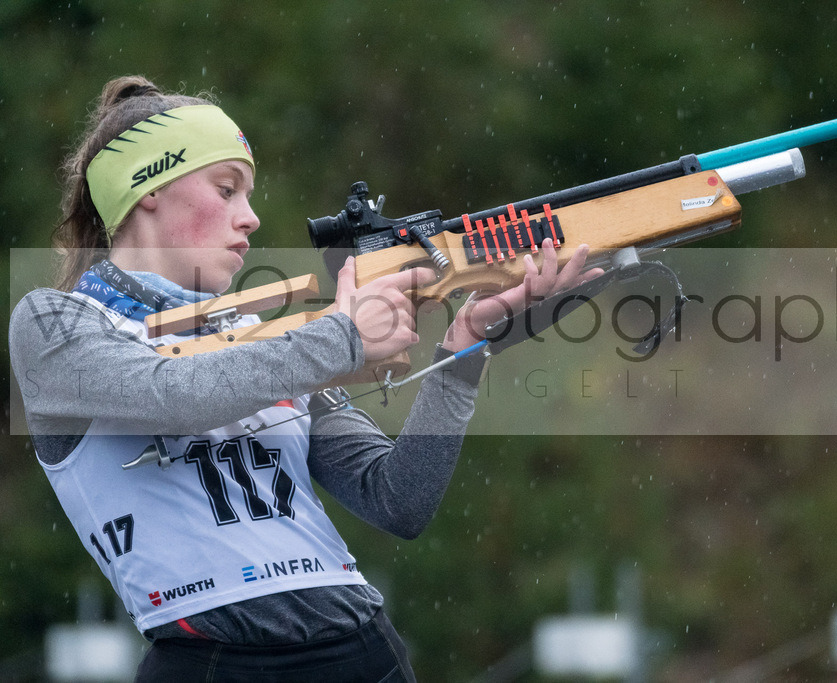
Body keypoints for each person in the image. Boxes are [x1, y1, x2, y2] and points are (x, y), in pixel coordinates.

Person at [8, 76, 600, 681]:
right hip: (210, 659)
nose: (251, 218)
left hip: (363, 648)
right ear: (149, 187)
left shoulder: (259, 336)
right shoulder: (56, 322)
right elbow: (173, 395)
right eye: (226, 189)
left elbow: (398, 499)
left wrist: (466, 347)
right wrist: (342, 335)